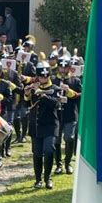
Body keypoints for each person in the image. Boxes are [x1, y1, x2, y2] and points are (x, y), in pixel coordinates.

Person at [24, 60, 62, 190]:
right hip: (36, 125)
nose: (44, 78)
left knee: (49, 150)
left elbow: (56, 104)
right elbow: (26, 106)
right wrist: (27, 94)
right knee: (37, 153)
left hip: (50, 125)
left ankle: (48, 178)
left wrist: (40, 92)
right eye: (41, 76)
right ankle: (38, 179)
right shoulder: (34, 88)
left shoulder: (55, 88)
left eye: (46, 76)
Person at [53, 56, 81, 175]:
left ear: (70, 68)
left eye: (65, 67)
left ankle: (67, 163)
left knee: (69, 138)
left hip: (70, 114)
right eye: (61, 67)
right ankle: (58, 164)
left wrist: (69, 92)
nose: (63, 70)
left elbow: (81, 95)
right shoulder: (53, 80)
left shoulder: (75, 81)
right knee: (56, 140)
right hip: (57, 115)